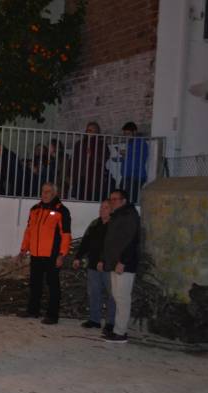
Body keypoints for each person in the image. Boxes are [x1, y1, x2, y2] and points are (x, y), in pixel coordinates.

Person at [19, 182, 72, 324]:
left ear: (55, 193)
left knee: (53, 286)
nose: (44, 194)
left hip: (52, 255)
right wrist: (24, 249)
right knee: (35, 284)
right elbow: (29, 231)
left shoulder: (61, 211)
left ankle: (52, 315)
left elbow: (66, 235)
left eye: (48, 191)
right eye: (43, 191)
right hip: (35, 254)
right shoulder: (35, 209)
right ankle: (33, 311)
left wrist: (62, 254)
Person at [98, 189, 140, 343]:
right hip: (114, 263)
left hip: (124, 264)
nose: (112, 202)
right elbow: (110, 241)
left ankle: (121, 333)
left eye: (116, 199)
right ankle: (117, 329)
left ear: (124, 200)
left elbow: (131, 241)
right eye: (111, 199)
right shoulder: (118, 216)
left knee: (122, 298)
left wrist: (123, 261)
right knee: (117, 297)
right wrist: (104, 259)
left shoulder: (129, 216)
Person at [73, 199, 115, 332]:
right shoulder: (95, 224)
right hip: (93, 265)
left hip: (108, 267)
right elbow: (85, 242)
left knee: (112, 295)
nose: (102, 210)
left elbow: (113, 247)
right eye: (101, 207)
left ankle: (110, 323)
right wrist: (78, 257)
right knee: (94, 293)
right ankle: (94, 320)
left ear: (112, 210)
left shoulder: (115, 225)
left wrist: (104, 261)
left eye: (106, 207)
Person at [120, 122, 148, 203]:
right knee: (124, 199)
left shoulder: (141, 143)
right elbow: (130, 158)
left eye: (128, 133)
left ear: (135, 132)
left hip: (135, 176)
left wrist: (126, 154)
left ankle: (129, 214)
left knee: (129, 200)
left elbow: (138, 159)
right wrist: (122, 158)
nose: (126, 136)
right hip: (128, 176)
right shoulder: (130, 143)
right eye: (125, 134)